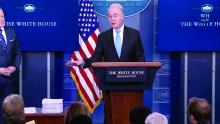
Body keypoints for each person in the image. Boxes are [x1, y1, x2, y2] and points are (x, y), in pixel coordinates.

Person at [66, 3, 145, 68]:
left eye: (115, 15)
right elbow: (96, 58)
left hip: (130, 80)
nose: (112, 19)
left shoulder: (134, 34)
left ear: (122, 16)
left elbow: (141, 58)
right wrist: (83, 62)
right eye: (109, 16)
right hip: (110, 81)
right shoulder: (103, 37)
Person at [0, 7, 22, 123]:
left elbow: (18, 52)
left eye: (2, 16)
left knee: (10, 114)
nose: (2, 19)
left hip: (10, 80)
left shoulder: (11, 31)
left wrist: (15, 66)